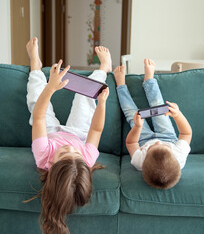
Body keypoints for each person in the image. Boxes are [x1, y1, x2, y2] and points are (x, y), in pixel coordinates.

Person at [24, 37, 111, 234]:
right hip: (78, 134)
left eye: (63, 155)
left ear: (52, 166)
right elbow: (96, 130)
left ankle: (35, 66)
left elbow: (38, 118)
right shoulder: (87, 158)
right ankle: (104, 68)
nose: (70, 149)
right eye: (76, 155)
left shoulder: (43, 156)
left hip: (50, 133)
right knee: (86, 96)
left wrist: (50, 88)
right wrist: (102, 104)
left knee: (35, 100)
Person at [113, 59, 192, 189]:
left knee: (131, 113)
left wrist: (138, 127)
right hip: (168, 136)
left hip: (143, 139)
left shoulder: (139, 162)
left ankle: (120, 85)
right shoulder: (179, 157)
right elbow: (186, 133)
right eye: (165, 147)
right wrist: (178, 115)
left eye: (152, 148)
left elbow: (131, 143)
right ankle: (149, 80)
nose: (157, 142)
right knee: (158, 106)